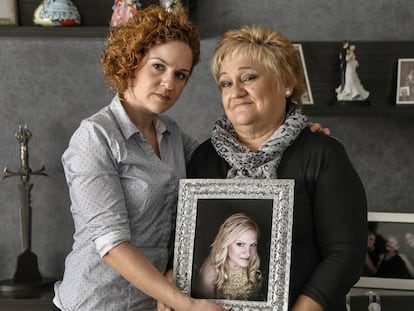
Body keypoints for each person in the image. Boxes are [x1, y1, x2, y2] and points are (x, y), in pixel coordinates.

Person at [52, 5, 224, 311]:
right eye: (159, 66)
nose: (169, 83)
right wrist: (186, 304)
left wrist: (298, 137)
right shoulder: (95, 137)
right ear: (132, 60)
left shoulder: (171, 134)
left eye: (180, 74)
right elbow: (112, 245)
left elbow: (225, 163)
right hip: (96, 302)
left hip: (152, 303)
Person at [187, 25, 367, 311]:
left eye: (248, 77)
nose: (237, 91)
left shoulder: (322, 154)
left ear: (285, 82)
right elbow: (186, 248)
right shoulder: (203, 158)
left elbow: (345, 254)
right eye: (225, 83)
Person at [196, 213, 262, 301]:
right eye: (240, 244)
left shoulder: (251, 263)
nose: (248, 253)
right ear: (225, 243)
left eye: (253, 245)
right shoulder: (210, 276)